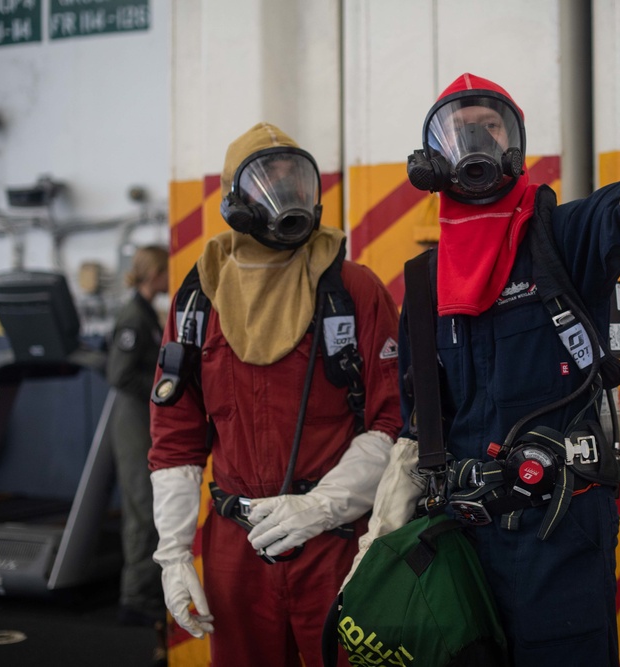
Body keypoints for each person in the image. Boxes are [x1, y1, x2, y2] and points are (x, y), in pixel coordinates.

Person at [351, 73, 620, 667]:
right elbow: (415, 431)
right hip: (459, 537)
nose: (475, 144)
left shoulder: (562, 237)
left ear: (515, 146)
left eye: (491, 128)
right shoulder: (426, 285)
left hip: (559, 532)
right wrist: (377, 543)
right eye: (459, 133)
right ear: (431, 161)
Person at [147, 123, 401, 667]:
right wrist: (172, 556)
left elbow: (393, 420)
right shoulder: (199, 300)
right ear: (234, 200)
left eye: (295, 182)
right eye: (269, 182)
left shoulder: (353, 290)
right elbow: (176, 436)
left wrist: (320, 507)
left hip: (337, 542)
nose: (286, 197)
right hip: (236, 550)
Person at [105, 244, 169, 663]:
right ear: (155, 273)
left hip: (141, 418)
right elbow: (120, 374)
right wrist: (163, 383)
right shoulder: (133, 318)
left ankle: (142, 591)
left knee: (146, 506)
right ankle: (136, 597)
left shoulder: (146, 314)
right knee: (142, 507)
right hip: (133, 420)